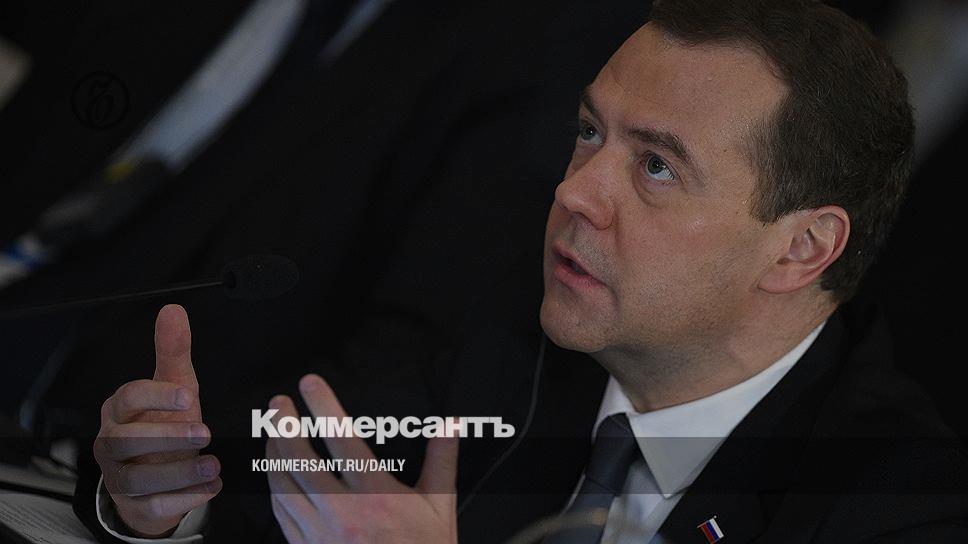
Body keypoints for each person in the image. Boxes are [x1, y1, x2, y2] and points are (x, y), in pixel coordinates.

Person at [78, 0, 968, 543]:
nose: (576, 191)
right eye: (588, 132)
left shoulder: (897, 504)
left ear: (802, 248)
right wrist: (166, 502)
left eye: (657, 166)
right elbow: (276, 496)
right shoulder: (506, 343)